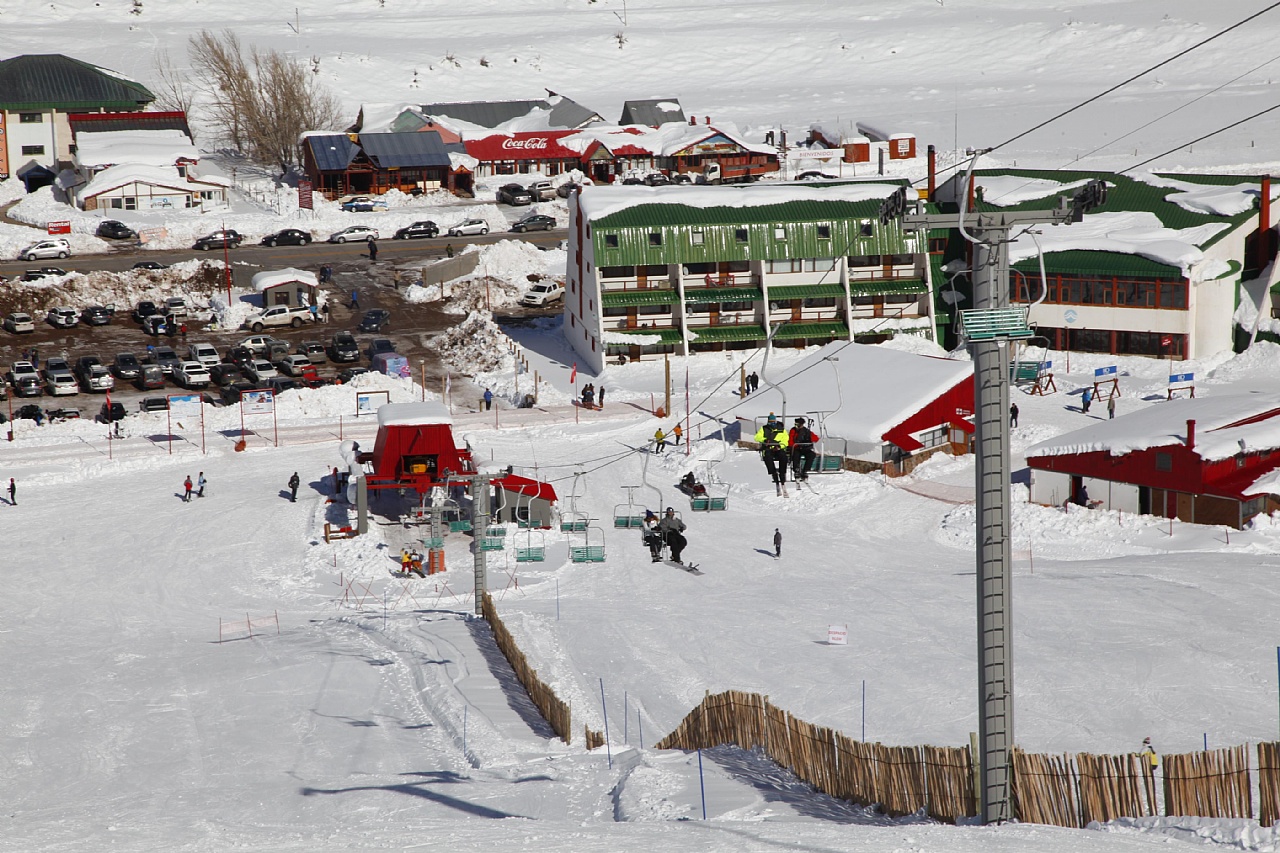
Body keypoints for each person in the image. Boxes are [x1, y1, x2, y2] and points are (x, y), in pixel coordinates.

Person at [754, 413, 791, 494]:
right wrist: (764, 440)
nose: (772, 423)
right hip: (768, 448)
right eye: (770, 422)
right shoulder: (764, 429)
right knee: (767, 457)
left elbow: (785, 440)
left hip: (778, 448)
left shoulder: (781, 429)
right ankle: (773, 473)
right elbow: (757, 437)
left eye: (773, 422)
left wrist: (779, 446)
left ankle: (782, 473)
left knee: (783, 457)